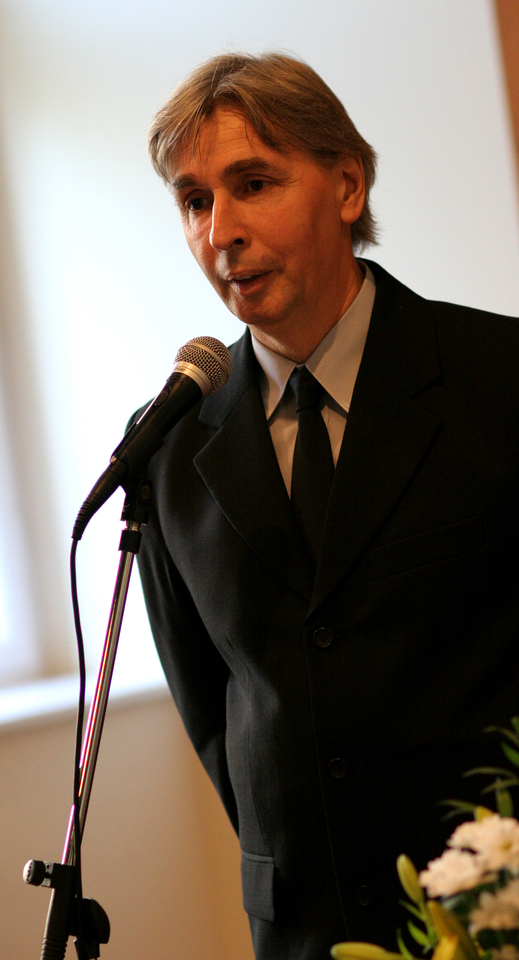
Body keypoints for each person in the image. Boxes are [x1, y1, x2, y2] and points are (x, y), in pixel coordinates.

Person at [136, 51, 519, 960]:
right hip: (302, 925)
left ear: (347, 186)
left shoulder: (499, 378)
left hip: (491, 903)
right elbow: (212, 710)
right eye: (194, 201)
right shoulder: (169, 445)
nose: (221, 231)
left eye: (252, 184)